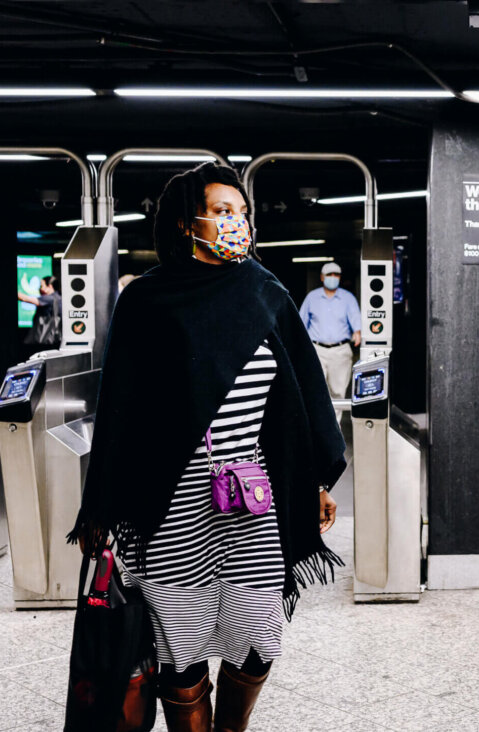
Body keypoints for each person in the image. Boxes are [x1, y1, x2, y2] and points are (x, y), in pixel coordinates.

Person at [69, 163, 346, 732]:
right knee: (181, 647)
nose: (236, 223)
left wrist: (315, 478)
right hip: (171, 504)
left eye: (241, 214)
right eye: (222, 213)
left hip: (252, 500)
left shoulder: (265, 293)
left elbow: (302, 395)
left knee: (258, 636)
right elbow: (119, 406)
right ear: (184, 222)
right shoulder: (147, 302)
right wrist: (102, 506)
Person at [298, 261, 361, 419]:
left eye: (336, 275)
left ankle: (335, 430)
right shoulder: (312, 298)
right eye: (329, 275)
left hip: (340, 351)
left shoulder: (348, 298)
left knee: (338, 393)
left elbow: (356, 324)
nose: (333, 278)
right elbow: (300, 324)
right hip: (316, 350)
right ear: (322, 277)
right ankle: (316, 429)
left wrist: (358, 333)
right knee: (314, 390)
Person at [18, 275, 61, 353]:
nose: (39, 289)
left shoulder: (50, 298)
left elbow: (26, 299)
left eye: (41, 286)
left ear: (49, 286)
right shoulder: (59, 298)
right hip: (55, 339)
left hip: (45, 340)